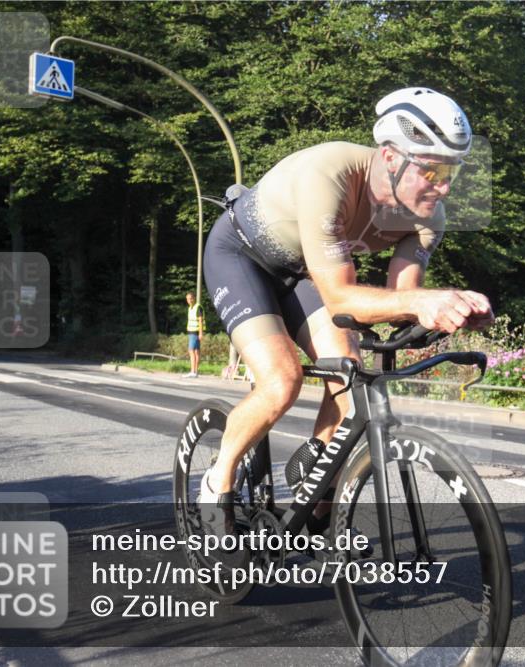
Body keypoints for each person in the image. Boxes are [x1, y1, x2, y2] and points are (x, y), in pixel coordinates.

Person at [199, 87, 494, 536]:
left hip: (302, 273)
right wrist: (420, 303)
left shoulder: (428, 218)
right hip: (240, 255)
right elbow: (339, 296)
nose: (445, 185)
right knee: (282, 381)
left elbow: (401, 298)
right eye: (433, 169)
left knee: (349, 373)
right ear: (392, 157)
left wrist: (450, 309)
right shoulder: (331, 171)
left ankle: (313, 491)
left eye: (452, 170)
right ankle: (216, 483)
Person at [184, 292, 205, 378]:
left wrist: (200, 333)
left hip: (195, 332)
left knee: (191, 351)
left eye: (190, 298)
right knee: (196, 352)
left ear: (194, 298)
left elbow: (200, 320)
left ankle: (192, 371)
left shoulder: (198, 307)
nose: (188, 300)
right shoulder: (190, 308)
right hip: (191, 332)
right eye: (187, 299)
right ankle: (195, 372)